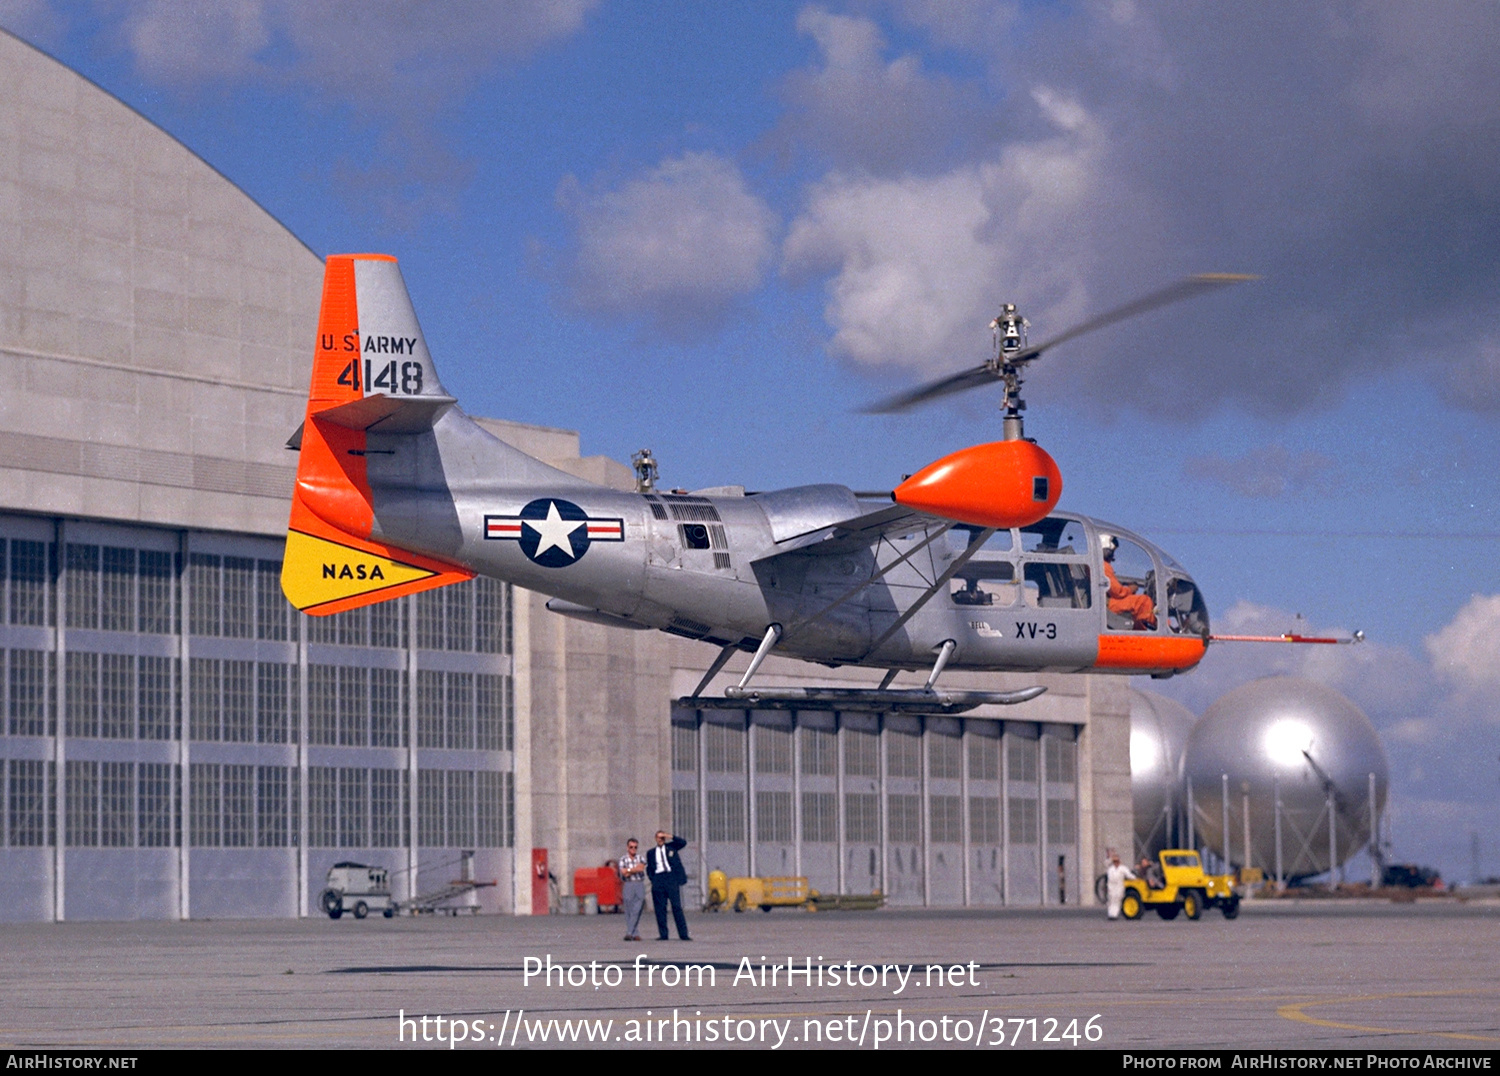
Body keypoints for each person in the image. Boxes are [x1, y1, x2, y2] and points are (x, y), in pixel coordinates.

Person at [1101, 534, 1156, 630]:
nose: (1113, 555)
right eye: (1112, 551)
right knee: (1143, 601)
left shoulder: (1100, 565)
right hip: (1109, 604)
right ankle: (1162, 627)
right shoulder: (1104, 566)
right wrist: (1131, 589)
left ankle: (1141, 630)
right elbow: (1118, 592)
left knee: (1137, 613)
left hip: (1106, 602)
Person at [647, 829, 690, 941]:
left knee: (676, 906)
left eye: (662, 838)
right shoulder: (651, 853)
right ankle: (663, 934)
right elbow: (649, 868)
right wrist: (654, 879)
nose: (660, 840)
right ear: (655, 839)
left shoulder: (671, 848)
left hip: (671, 878)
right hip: (658, 878)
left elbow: (683, 842)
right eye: (658, 838)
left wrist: (669, 835)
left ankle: (683, 934)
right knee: (660, 908)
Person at [618, 838, 647, 942]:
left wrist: (629, 870)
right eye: (631, 847)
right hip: (628, 884)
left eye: (635, 847)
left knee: (637, 909)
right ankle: (635, 933)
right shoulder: (623, 859)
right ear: (627, 848)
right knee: (629, 910)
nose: (633, 849)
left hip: (639, 884)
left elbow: (640, 868)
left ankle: (629, 932)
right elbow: (624, 873)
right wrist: (633, 870)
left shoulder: (640, 858)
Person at [1105, 851, 1136, 920]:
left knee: (1117, 900)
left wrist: (1135, 879)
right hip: (1111, 886)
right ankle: (1111, 914)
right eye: (1114, 861)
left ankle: (1115, 915)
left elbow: (1129, 875)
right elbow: (1106, 863)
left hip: (1119, 886)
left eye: (1117, 861)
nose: (1115, 862)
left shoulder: (1123, 868)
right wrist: (1109, 856)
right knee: (1111, 900)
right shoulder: (1110, 868)